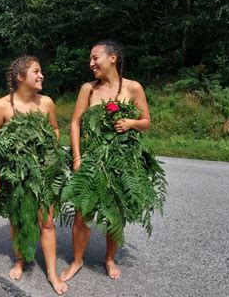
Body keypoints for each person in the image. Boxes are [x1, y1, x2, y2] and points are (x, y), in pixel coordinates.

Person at [61, 40, 167, 281]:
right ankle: (77, 261)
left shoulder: (133, 88)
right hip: (91, 160)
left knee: (116, 213)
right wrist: (77, 157)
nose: (91, 63)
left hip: (122, 161)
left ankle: (109, 259)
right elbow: (75, 122)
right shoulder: (88, 89)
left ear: (113, 58)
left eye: (95, 57)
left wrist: (131, 123)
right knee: (81, 213)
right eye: (90, 59)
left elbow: (146, 121)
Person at [0, 56, 68, 295]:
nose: (42, 76)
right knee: (18, 220)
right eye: (36, 72)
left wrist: (49, 150)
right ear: (21, 77)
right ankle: (20, 260)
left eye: (41, 72)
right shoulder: (2, 106)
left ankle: (51, 271)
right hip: (14, 174)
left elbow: (56, 130)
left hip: (44, 173)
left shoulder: (47, 103)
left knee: (47, 223)